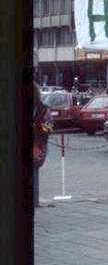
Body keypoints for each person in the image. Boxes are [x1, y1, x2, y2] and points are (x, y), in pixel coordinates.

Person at [32, 81, 53, 209]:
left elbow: (47, 128)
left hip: (36, 147)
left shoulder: (42, 110)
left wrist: (36, 128)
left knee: (33, 173)